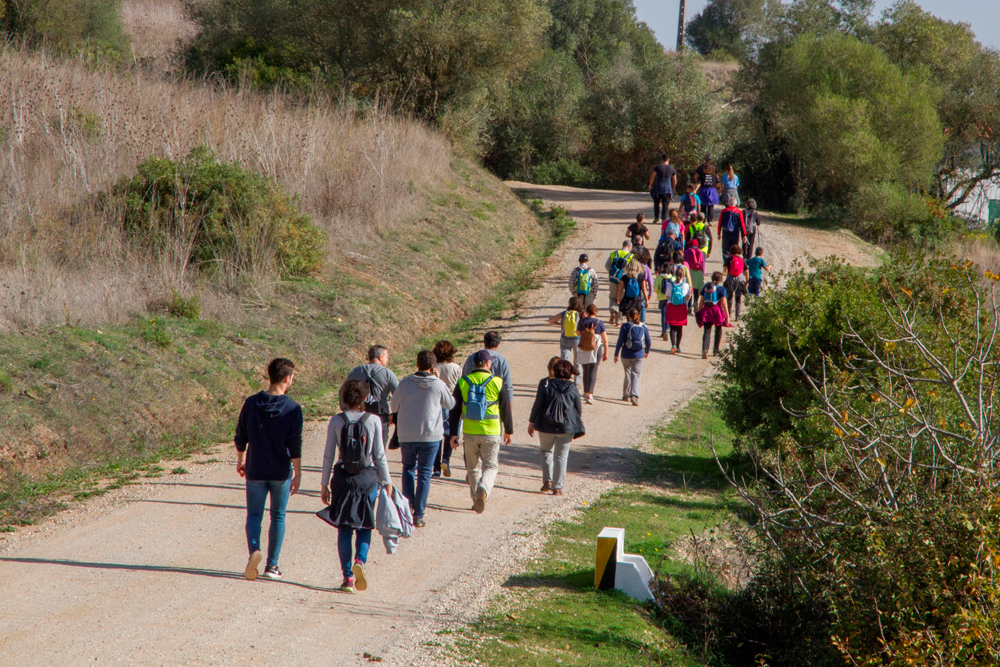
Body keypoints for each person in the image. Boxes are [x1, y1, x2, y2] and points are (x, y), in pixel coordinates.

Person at [321, 379, 394, 593]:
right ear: (364, 398)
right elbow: (379, 455)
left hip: (343, 479)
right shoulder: (372, 420)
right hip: (367, 479)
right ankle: (360, 562)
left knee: (344, 527)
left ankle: (347, 578)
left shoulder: (336, 421)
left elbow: (328, 455)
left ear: (344, 398)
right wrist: (387, 481)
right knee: (364, 524)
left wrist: (324, 484)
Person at [234, 358, 303, 581]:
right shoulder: (293, 409)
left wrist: (241, 460)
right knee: (278, 517)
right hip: (280, 472)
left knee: (254, 515)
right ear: (286, 378)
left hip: (255, 468)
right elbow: (294, 444)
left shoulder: (252, 403)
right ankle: (272, 565)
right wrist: (298, 472)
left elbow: (241, 436)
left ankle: (254, 551)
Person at [390, 350, 455, 528]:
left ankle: (407, 508)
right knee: (425, 473)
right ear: (433, 366)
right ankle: (419, 514)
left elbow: (393, 406)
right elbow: (451, 404)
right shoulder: (438, 385)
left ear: (417, 364)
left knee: (408, 469)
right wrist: (439, 379)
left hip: (407, 434)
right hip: (431, 435)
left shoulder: (405, 383)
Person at [449, 350, 514, 514]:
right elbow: (506, 409)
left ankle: (475, 499)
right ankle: (483, 489)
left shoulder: (463, 382)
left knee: (472, 469)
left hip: (470, 432)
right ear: (488, 364)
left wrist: (453, 434)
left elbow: (455, 410)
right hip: (491, 432)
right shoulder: (497, 382)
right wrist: (509, 431)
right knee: (490, 467)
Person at [528, 359, 585, 496]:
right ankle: (557, 487)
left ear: (555, 370)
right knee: (561, 457)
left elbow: (538, 405)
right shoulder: (572, 387)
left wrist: (532, 422)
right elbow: (578, 408)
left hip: (546, 425)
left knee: (546, 452)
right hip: (566, 428)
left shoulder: (546, 384)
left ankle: (547, 481)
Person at [346, 345, 399, 447]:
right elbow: (399, 395)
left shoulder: (356, 371)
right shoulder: (388, 374)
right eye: (387, 356)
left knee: (360, 446)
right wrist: (394, 414)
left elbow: (343, 391)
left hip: (358, 415)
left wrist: (346, 410)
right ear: (380, 357)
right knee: (379, 448)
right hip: (380, 415)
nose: (387, 359)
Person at [432, 340, 462, 478]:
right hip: (452, 402)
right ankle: (446, 459)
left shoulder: (433, 367)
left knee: (438, 434)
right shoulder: (456, 368)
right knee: (450, 433)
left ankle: (436, 467)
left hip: (437, 403)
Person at [461, 331, 513, 403]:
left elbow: (463, 381)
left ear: (484, 343)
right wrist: (509, 410)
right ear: (497, 345)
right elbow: (508, 387)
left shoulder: (472, 358)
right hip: (494, 408)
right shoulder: (502, 361)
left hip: (473, 405)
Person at [613, 307, 650, 406]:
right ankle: (635, 395)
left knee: (627, 373)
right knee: (636, 375)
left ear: (628, 317)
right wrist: (647, 351)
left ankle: (626, 395)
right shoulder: (643, 326)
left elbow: (620, 341)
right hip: (638, 354)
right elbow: (648, 341)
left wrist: (616, 354)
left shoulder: (625, 326)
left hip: (626, 354)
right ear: (638, 316)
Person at [577, 304, 608, 405]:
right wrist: (605, 352)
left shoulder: (581, 322)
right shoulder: (599, 323)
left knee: (586, 370)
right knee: (593, 371)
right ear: (596, 312)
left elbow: (577, 334)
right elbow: (605, 340)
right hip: (596, 348)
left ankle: (585, 392)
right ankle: (590, 394)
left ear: (587, 312)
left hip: (584, 347)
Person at [547, 296, 584, 380]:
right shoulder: (581, 313)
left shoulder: (565, 313)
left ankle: (563, 378)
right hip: (577, 339)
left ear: (569, 304)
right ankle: (576, 382)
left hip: (565, 338)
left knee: (564, 360)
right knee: (577, 361)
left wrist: (560, 324)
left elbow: (550, 320)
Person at [696, 271, 730, 359]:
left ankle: (705, 349)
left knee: (707, 331)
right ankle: (716, 350)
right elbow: (724, 303)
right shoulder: (722, 289)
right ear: (721, 280)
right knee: (718, 331)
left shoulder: (706, 287)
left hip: (707, 311)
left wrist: (699, 312)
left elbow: (701, 301)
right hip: (717, 312)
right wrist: (727, 316)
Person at [605, 241, 633, 326]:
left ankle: (613, 312)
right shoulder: (631, 256)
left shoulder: (614, 253)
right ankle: (618, 321)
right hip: (624, 280)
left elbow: (607, 265)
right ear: (629, 246)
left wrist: (612, 273)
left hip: (613, 279)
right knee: (621, 299)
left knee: (613, 297)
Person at [617, 257, 649, 328]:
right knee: (637, 317)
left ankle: (629, 331)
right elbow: (644, 290)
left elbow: (620, 289)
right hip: (637, 301)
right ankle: (636, 331)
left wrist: (618, 298)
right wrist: (646, 300)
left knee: (629, 319)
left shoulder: (625, 277)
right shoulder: (640, 277)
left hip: (627, 300)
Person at [665, 267, 691, 354]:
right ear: (683, 276)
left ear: (675, 275)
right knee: (680, 327)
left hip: (671, 307)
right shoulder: (686, 285)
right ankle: (678, 346)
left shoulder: (670, 285)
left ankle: (673, 345)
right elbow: (688, 297)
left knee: (672, 327)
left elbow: (667, 296)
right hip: (681, 307)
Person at [716, 196, 746, 265]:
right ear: (736, 204)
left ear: (728, 203)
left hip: (726, 232)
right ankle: (733, 264)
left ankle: (726, 265)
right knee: (734, 250)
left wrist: (719, 233)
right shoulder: (739, 212)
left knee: (725, 250)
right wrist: (744, 235)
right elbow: (742, 224)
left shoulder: (724, 211)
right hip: (735, 233)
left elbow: (720, 223)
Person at [648, 154, 677, 223]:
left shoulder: (658, 167)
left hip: (658, 188)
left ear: (662, 160)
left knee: (656, 203)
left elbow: (652, 176)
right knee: (665, 204)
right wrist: (673, 188)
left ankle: (656, 218)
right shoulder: (672, 169)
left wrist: (650, 185)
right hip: (667, 189)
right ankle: (664, 219)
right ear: (668, 160)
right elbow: (674, 180)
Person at [723, 244, 748, 321]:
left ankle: (729, 314)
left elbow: (724, 271)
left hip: (730, 278)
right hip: (740, 279)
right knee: (738, 297)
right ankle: (737, 316)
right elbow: (746, 272)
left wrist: (725, 275)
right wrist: (747, 281)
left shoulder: (729, 259)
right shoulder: (742, 260)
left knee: (730, 296)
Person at [695, 155, 721, 224]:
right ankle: (710, 221)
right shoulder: (714, 169)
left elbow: (697, 179)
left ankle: (703, 220)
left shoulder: (701, 169)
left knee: (703, 205)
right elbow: (717, 179)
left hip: (703, 190)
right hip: (712, 190)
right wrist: (719, 189)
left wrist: (695, 188)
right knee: (711, 206)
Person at [634, 247, 655, 323]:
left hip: (634, 288)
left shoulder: (634, 266)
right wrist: (650, 294)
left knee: (634, 305)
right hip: (643, 289)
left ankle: (634, 320)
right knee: (643, 306)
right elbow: (650, 282)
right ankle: (641, 322)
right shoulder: (646, 268)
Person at [685, 238, 706, 311]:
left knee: (690, 289)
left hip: (690, 271)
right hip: (698, 272)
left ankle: (689, 306)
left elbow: (685, 263)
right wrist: (702, 274)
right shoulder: (701, 253)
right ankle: (696, 302)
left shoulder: (687, 252)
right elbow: (703, 265)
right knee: (696, 290)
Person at [653, 263, 672, 340]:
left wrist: (659, 293)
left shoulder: (659, 277)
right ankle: (667, 329)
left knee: (663, 315)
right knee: (669, 315)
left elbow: (655, 288)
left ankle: (663, 330)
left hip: (661, 298)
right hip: (670, 298)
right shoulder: (672, 278)